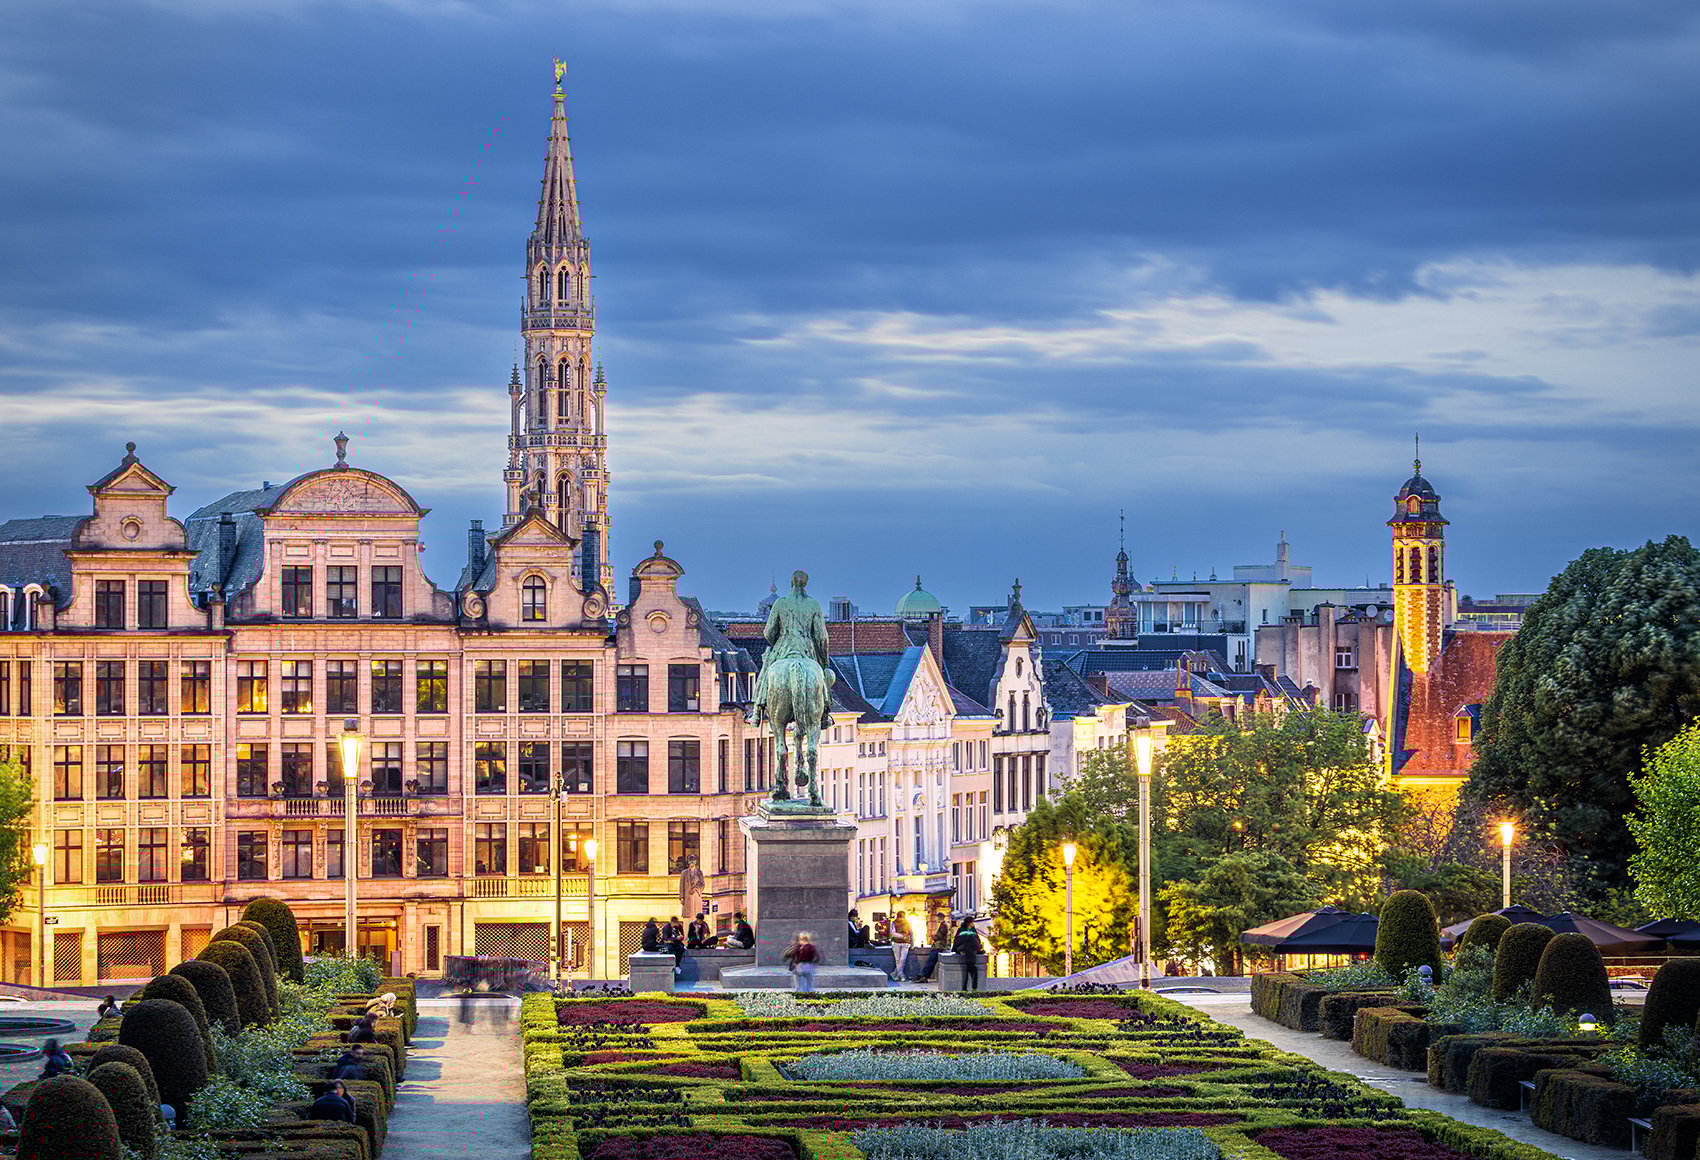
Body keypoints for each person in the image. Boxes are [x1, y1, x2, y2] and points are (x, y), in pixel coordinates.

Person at [914, 915, 951, 983]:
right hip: (938, 946)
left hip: (939, 946)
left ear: (940, 918)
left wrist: (933, 936)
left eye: (937, 918)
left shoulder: (944, 925)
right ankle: (924, 976)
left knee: (930, 962)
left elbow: (940, 936)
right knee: (930, 962)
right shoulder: (943, 925)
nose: (936, 919)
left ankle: (924, 976)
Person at [952, 918, 985, 991]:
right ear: (969, 923)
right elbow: (958, 941)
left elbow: (977, 940)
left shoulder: (973, 930)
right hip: (963, 948)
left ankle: (968, 987)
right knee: (969, 940)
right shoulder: (961, 929)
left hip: (970, 950)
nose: (974, 924)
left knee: (970, 942)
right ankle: (972, 987)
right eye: (973, 922)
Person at [889, 908, 912, 981]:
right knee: (899, 960)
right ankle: (901, 975)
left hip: (904, 943)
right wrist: (903, 936)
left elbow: (911, 933)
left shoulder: (907, 923)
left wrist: (912, 943)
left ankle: (896, 975)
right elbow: (892, 933)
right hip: (897, 942)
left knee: (901, 960)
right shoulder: (893, 923)